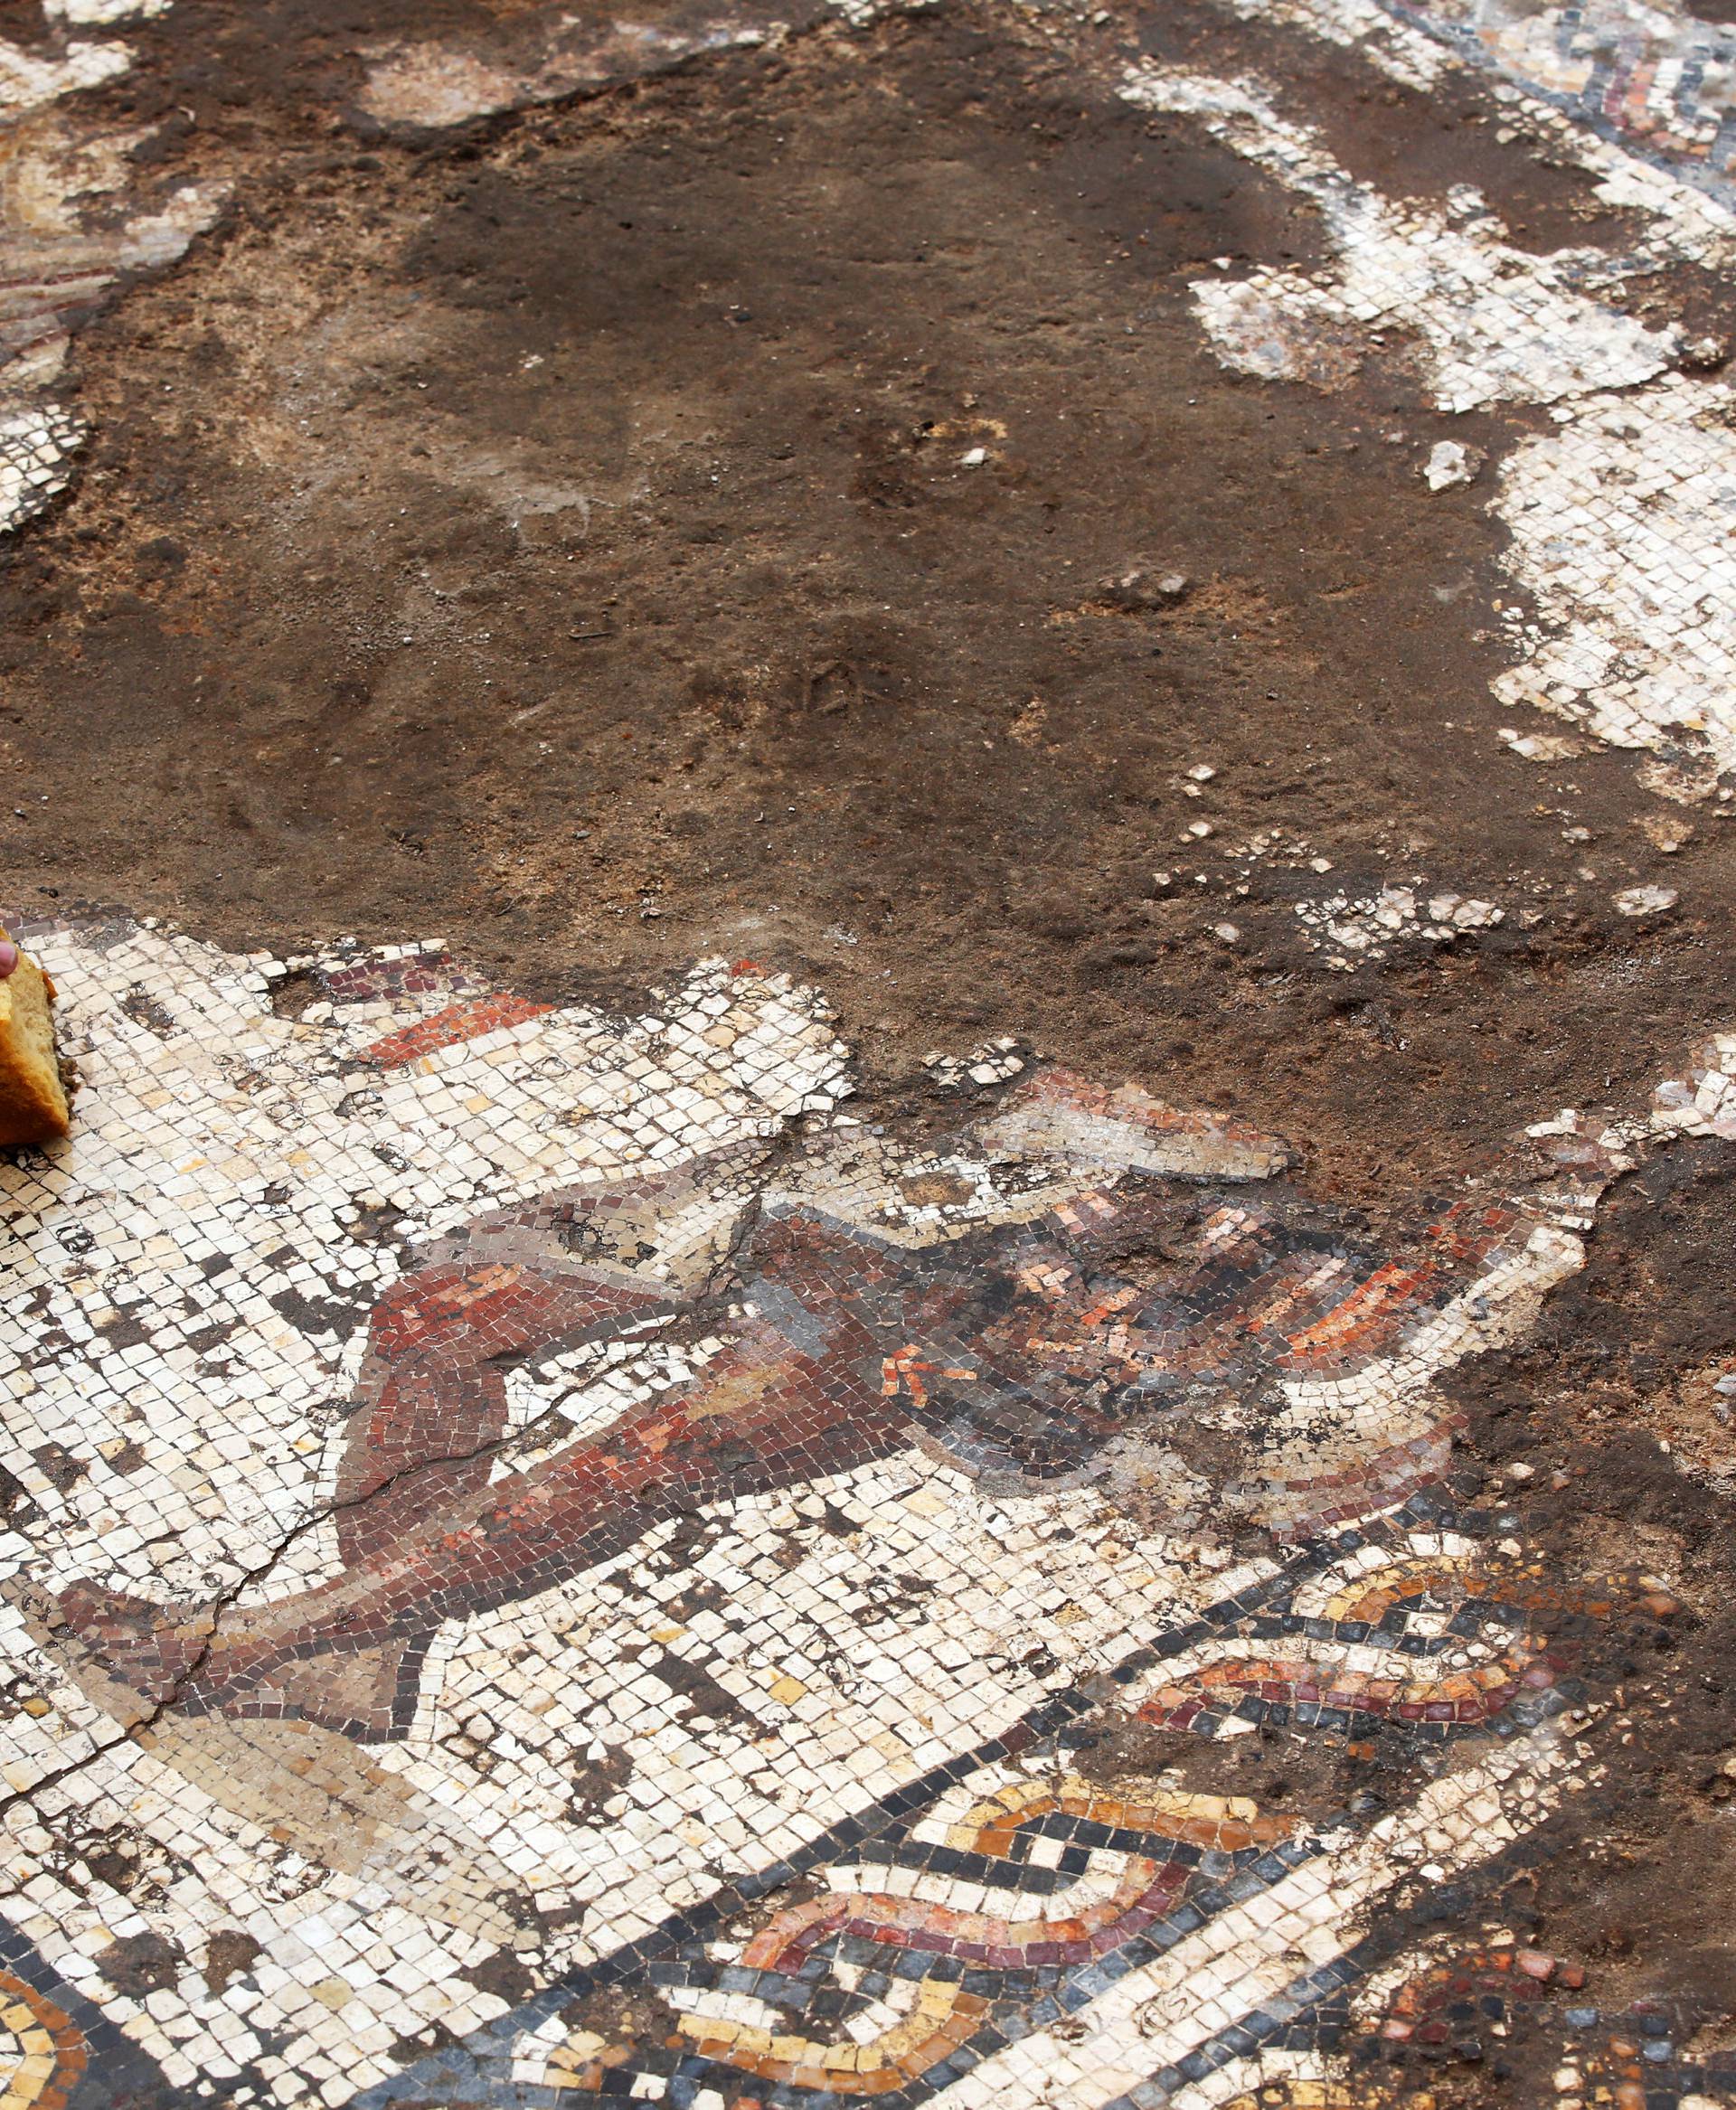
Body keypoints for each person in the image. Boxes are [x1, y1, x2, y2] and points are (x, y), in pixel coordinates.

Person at [32, 1069, 1585, 1743]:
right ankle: (359, 1648)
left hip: (1009, 1297)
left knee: (675, 1436)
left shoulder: (1515, 1151)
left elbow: (1368, 1321)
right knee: (444, 1306)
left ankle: (261, 1646)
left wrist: (1111, 1347)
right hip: (890, 1179)